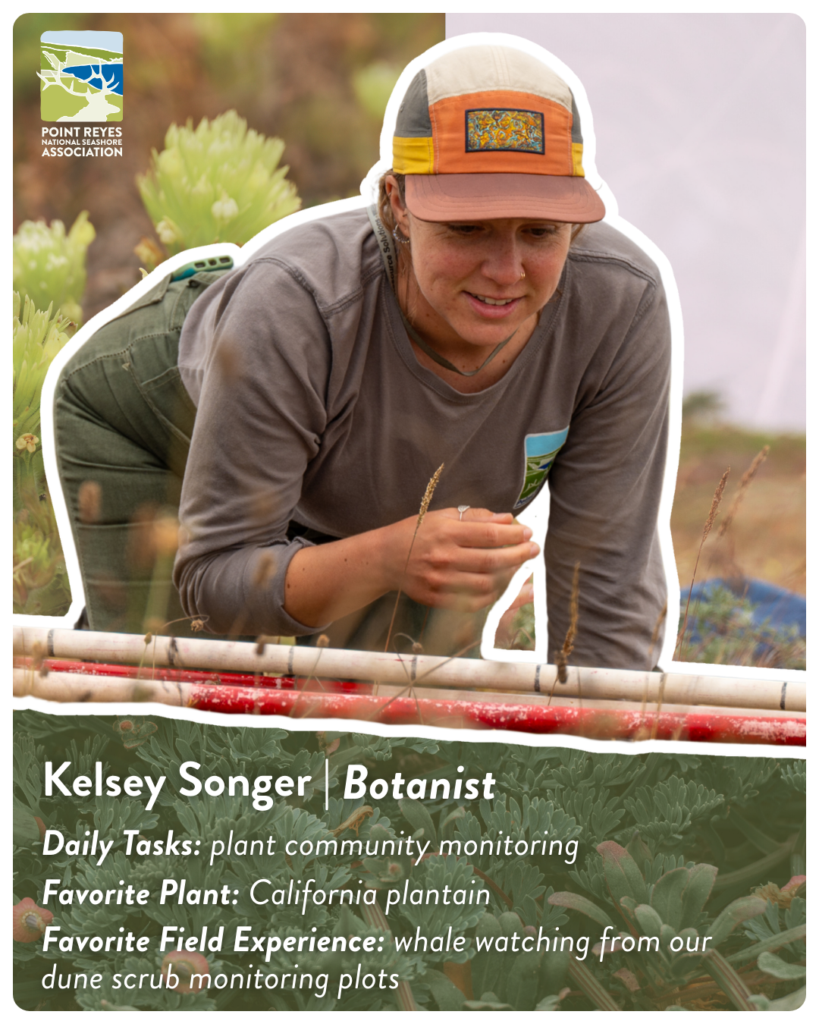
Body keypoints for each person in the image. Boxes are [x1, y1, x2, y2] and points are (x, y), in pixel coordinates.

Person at [54, 41, 671, 669]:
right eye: (467, 228)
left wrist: (608, 735)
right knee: (185, 691)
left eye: (540, 231)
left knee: (406, 704)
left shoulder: (618, 304)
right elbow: (216, 576)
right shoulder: (295, 304)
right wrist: (385, 558)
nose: (506, 271)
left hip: (361, 484)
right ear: (396, 202)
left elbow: (607, 592)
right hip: (163, 425)